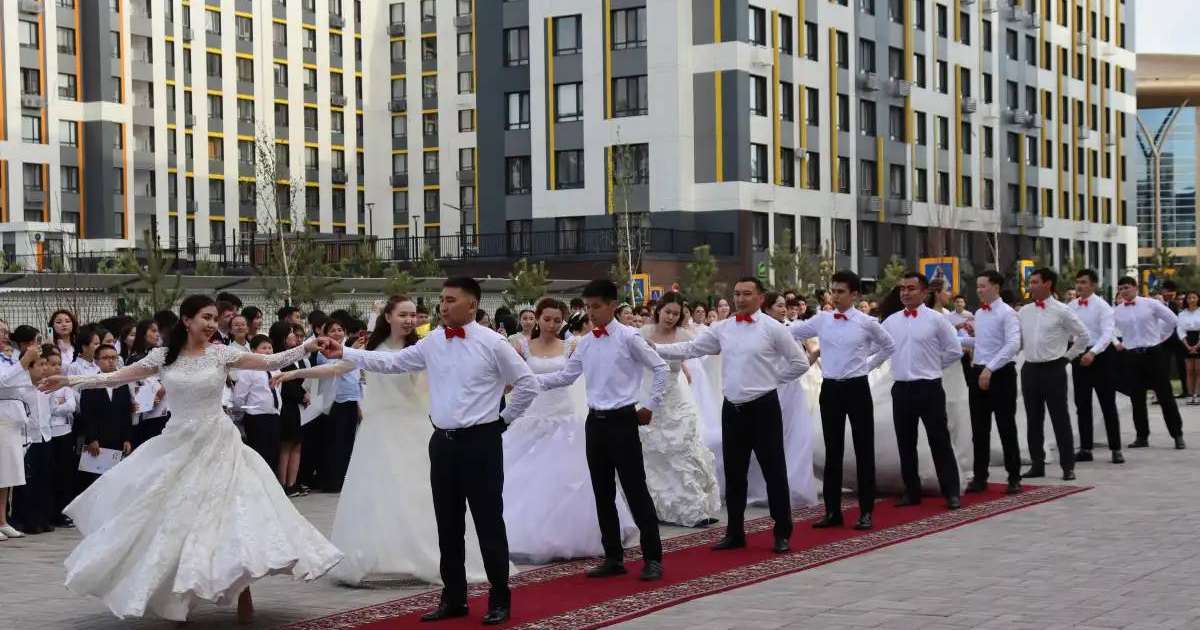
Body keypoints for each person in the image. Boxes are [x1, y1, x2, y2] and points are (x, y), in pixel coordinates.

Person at [39, 294, 341, 623]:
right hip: (179, 441)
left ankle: (242, 591)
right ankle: (177, 597)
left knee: (233, 514)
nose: (212, 324)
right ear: (186, 320)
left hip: (220, 442)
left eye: (215, 319)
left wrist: (309, 346)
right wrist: (69, 380)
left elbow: (269, 362)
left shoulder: (223, 353)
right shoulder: (163, 356)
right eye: (206, 318)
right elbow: (116, 376)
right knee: (176, 518)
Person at [320, 278, 537, 625]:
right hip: (442, 442)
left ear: (471, 304)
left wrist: (503, 420)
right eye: (442, 300)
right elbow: (393, 363)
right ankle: (454, 597)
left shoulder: (493, 343)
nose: (443, 306)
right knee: (447, 524)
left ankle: (499, 599)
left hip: (481, 442)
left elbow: (528, 383)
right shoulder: (434, 340)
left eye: (451, 300)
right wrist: (344, 351)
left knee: (487, 522)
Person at [655, 277, 810, 553]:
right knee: (735, 472)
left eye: (747, 294)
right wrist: (655, 348)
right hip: (733, 408)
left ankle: (782, 531)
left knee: (774, 470)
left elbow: (799, 362)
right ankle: (735, 531)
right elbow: (692, 348)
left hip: (763, 407)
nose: (740, 299)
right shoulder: (722, 328)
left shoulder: (773, 329)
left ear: (760, 298)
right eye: (736, 293)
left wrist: (773, 381)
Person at [536, 279, 669, 581]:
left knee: (635, 490)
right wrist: (530, 380)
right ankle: (613, 557)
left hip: (623, 419)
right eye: (587, 307)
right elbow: (566, 376)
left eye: (596, 306)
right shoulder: (585, 342)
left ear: (612, 305)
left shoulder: (629, 337)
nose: (591, 313)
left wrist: (650, 405)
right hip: (594, 422)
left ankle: (652, 558)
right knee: (602, 491)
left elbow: (660, 368)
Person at [504, 298, 640, 562]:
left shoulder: (572, 345)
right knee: (525, 478)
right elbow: (512, 381)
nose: (551, 325)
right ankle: (527, 534)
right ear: (536, 318)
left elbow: (582, 375)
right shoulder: (520, 346)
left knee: (570, 478)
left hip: (563, 417)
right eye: (547, 319)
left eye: (557, 320)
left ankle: (581, 534)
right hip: (531, 417)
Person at [790, 270, 893, 529]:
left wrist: (866, 367)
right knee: (832, 450)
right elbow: (793, 331)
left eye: (840, 291)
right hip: (831, 389)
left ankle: (866, 512)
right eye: (833, 291)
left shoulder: (867, 322)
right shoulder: (822, 319)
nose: (835, 296)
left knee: (863, 449)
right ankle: (833, 512)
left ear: (855, 294)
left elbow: (888, 347)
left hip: (857, 388)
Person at [638, 292, 722, 527]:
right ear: (659, 310)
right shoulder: (643, 332)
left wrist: (684, 366)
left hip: (676, 396)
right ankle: (653, 507)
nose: (671, 317)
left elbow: (701, 351)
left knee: (684, 447)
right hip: (647, 394)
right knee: (652, 453)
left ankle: (692, 508)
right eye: (668, 312)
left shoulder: (684, 334)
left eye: (676, 314)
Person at [881, 272, 964, 509]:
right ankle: (911, 490)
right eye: (902, 289)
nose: (905, 293)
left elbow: (954, 350)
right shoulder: (891, 321)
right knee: (905, 442)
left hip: (929, 387)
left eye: (911, 288)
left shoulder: (937, 320)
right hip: (901, 388)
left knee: (939, 440)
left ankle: (951, 492)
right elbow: (880, 348)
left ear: (924, 292)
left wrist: (932, 366)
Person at [1017, 268, 1090, 481]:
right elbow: (1019, 341)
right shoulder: (1024, 312)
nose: (1030, 286)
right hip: (1030, 368)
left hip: (1054, 368)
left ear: (1047, 284)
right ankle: (1037, 464)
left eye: (1034, 282)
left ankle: (1068, 466)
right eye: (1030, 282)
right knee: (1033, 420)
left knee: (1060, 419)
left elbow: (1084, 335)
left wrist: (1067, 357)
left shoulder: (1062, 310)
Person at [961, 270, 1023, 494]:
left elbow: (1013, 344)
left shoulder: (1007, 313)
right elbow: (982, 342)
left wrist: (990, 367)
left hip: (1001, 375)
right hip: (978, 373)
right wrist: (956, 339)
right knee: (979, 429)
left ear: (996, 287)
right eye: (977, 286)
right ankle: (980, 477)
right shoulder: (979, 313)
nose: (979, 290)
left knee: (1006, 427)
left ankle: (1014, 477)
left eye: (983, 286)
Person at [1112, 276, 1186, 450]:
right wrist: (1116, 343)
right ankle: (1141, 436)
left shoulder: (1150, 304)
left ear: (1135, 287)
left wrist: (1160, 337)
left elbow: (1172, 321)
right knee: (1137, 398)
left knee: (1165, 395)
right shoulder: (1117, 311)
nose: (1124, 291)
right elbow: (1107, 329)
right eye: (1121, 288)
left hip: (1153, 353)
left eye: (1127, 288)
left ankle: (1177, 434)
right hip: (1131, 355)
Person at [1069, 270, 1124, 464]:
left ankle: (1116, 448)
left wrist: (1093, 353)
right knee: (1082, 404)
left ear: (1093, 285)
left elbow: (1107, 333)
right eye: (1078, 282)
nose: (1079, 286)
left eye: (1083, 282)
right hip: (1079, 356)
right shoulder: (1071, 306)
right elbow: (1068, 331)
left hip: (1100, 356)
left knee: (1107, 403)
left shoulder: (1103, 306)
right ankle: (1085, 448)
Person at [12, 345, 66, 535]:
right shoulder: (21, 389)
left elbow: (51, 410)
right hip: (28, 439)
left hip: (46, 436)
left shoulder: (46, 387)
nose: (45, 368)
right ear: (29, 367)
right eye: (40, 364)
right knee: (27, 482)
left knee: (44, 479)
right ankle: (26, 520)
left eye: (46, 364)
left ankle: (43, 518)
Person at [74, 344, 135, 494]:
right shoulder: (90, 384)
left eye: (114, 358)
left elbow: (126, 412)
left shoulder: (122, 383)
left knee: (116, 480)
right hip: (99, 441)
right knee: (97, 482)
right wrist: (92, 438)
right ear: (96, 361)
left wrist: (127, 438)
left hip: (118, 438)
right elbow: (86, 414)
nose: (110, 361)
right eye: (106, 358)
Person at [0, 343, 38, 540]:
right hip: (1, 417)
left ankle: (2, 520)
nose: (4, 335)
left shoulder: (7, 358)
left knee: (7, 473)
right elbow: (3, 382)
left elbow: (21, 384)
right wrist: (23, 362)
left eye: (5, 331)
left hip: (11, 419)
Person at [268, 321, 309, 496]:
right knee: (286, 445)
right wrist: (302, 395)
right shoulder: (279, 357)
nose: (294, 336)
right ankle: (282, 483)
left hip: (297, 407)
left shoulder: (292, 356)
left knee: (296, 445)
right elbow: (286, 383)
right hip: (287, 407)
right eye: (291, 332)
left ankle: (293, 482)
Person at [232, 335, 283, 473]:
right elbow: (239, 398)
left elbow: (278, 392)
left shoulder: (275, 369)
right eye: (263, 348)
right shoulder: (248, 370)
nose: (268, 351)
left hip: (274, 415)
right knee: (260, 454)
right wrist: (251, 409)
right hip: (256, 417)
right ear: (253, 351)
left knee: (274, 453)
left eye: (270, 348)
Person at [1160, 279, 1188, 398]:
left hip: (1179, 340)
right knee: (1164, 367)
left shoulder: (1174, 304)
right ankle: (1166, 393)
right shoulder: (1157, 303)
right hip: (1164, 340)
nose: (1170, 294)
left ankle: (1187, 391)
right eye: (1167, 292)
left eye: (1172, 292)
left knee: (1182, 366)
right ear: (1162, 291)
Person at [1177, 291, 1200, 405]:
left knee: (1198, 370)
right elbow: (1180, 330)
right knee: (1189, 370)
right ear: (1186, 300)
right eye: (1189, 298)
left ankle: (1197, 394)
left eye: (1194, 297)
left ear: (1198, 299)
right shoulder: (1182, 314)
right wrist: (1187, 345)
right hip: (1186, 340)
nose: (1191, 300)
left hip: (1198, 340)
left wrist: (1197, 345)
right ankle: (1190, 395)